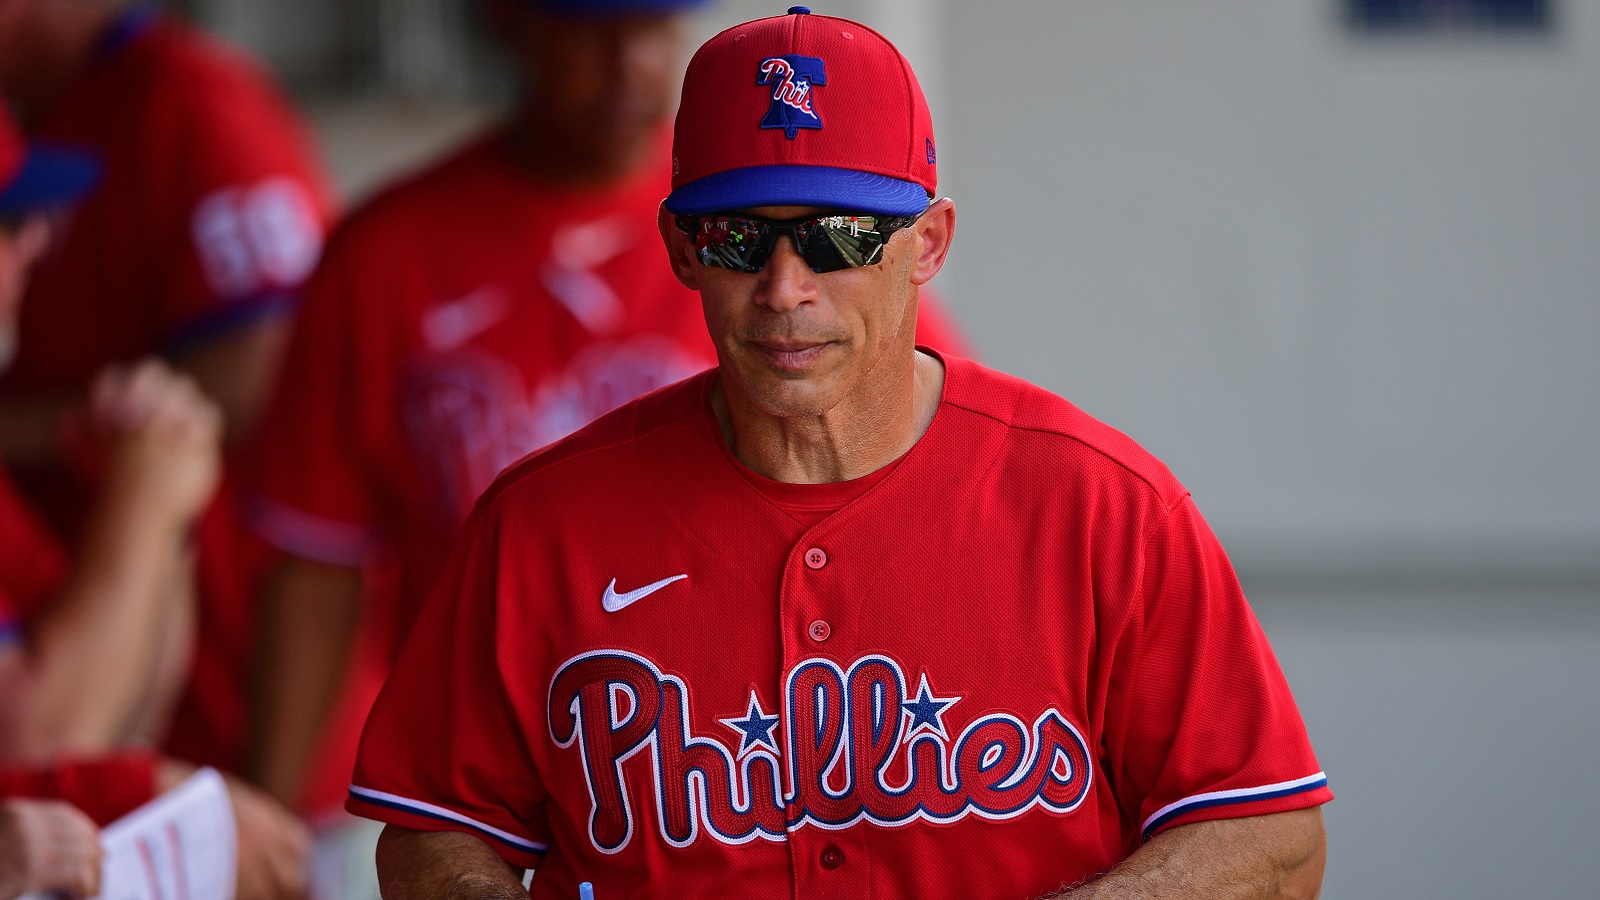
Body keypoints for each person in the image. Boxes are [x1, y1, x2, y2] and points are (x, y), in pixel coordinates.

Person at [346, 7, 1331, 899]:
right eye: (738, 238)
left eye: (839, 237)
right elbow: (433, 833)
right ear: (682, 248)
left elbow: (1268, 830)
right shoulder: (541, 525)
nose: (783, 287)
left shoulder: (1101, 509)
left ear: (929, 243)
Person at [245, 0, 972, 814]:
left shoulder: (794, 216)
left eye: (653, 29)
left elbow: (926, 481)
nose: (628, 66)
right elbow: (318, 560)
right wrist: (275, 822)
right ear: (510, 23)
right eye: (589, 29)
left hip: (743, 761)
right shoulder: (388, 252)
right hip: (500, 758)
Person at [0, 0, 335, 802]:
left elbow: (281, 362)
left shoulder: (191, 100)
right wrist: (144, 488)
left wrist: (155, 484)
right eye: (11, 224)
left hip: (227, 702)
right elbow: (43, 745)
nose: (38, 242)